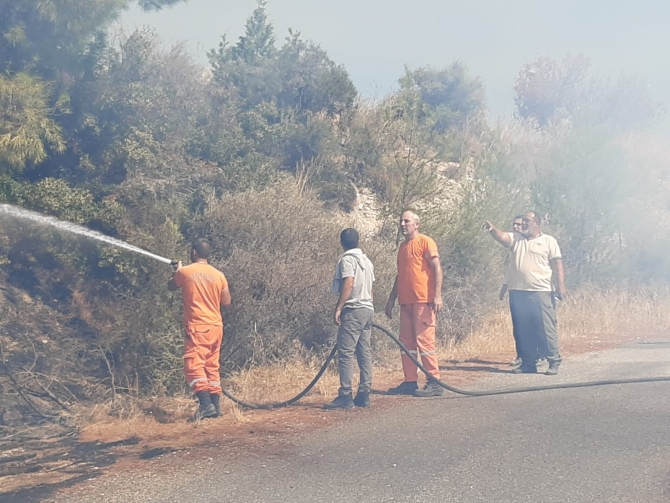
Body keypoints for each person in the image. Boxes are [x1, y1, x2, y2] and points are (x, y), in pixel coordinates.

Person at [483, 212, 566, 375]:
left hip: (541, 291)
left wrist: (560, 286)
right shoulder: (516, 239)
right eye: (524, 221)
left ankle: (553, 361)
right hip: (518, 292)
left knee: (546, 328)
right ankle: (528, 363)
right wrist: (492, 229)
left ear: (536, 223)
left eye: (527, 221)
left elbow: (557, 263)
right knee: (523, 330)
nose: (524, 224)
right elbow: (502, 237)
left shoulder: (548, 241)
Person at [168, 240, 231, 419]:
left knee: (193, 365)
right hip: (216, 327)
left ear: (194, 252)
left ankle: (205, 405)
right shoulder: (219, 275)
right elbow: (226, 301)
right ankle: (216, 408)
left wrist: (176, 271)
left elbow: (171, 286)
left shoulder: (186, 271)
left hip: (198, 327)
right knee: (211, 366)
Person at [385, 211, 444, 397]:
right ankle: (410, 381)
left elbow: (437, 268)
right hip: (406, 302)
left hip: (423, 300)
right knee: (407, 343)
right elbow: (400, 274)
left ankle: (433, 381)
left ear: (416, 224)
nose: (403, 224)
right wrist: (391, 299)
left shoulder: (426, 242)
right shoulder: (403, 247)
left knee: (424, 342)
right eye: (401, 221)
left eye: (406, 221)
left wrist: (437, 296)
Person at [324, 228, 375, 410]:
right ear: (358, 241)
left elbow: (349, 282)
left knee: (346, 353)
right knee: (364, 352)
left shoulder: (347, 259)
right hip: (368, 309)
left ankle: (345, 395)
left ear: (342, 243)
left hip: (353, 309)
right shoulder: (367, 261)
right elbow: (371, 289)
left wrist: (339, 307)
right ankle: (364, 393)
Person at [499, 215, 524, 367]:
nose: (516, 227)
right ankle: (521, 355)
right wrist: (504, 286)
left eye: (519, 225)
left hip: (533, 291)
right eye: (514, 224)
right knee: (518, 325)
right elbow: (512, 268)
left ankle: (539, 355)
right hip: (515, 290)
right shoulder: (514, 242)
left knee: (534, 324)